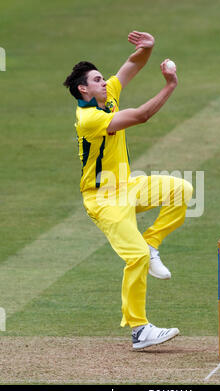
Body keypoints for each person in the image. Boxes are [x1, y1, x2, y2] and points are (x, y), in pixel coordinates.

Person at [63, 31, 193, 350]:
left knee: (183, 190)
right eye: (97, 79)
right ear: (84, 89)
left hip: (128, 186)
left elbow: (131, 66)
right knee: (132, 257)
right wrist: (170, 86)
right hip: (103, 199)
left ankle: (152, 243)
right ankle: (139, 330)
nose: (104, 81)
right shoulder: (89, 118)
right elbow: (142, 116)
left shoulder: (108, 93)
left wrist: (147, 49)